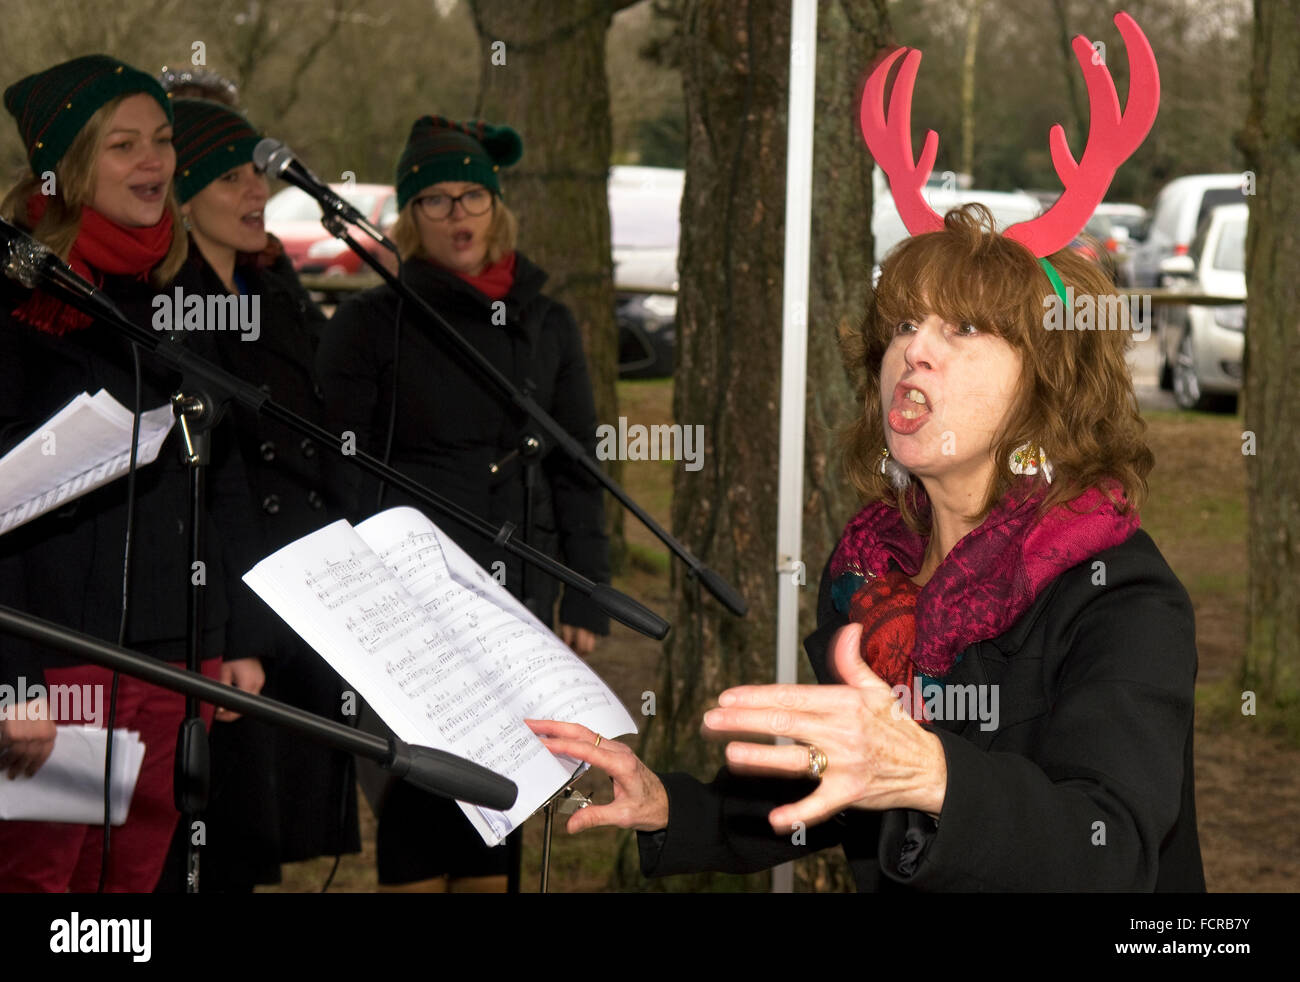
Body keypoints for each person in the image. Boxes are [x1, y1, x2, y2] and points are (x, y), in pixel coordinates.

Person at [530, 203, 1205, 892]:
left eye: (964, 328)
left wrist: (931, 773)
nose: (914, 350)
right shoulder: (869, 572)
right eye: (905, 325)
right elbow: (842, 783)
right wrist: (672, 807)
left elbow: (1110, 847)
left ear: (1046, 383)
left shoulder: (1119, 594)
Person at [317, 115, 611, 891]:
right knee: (423, 792)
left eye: (473, 196)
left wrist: (584, 588)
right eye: (437, 200)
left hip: (517, 585)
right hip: (413, 594)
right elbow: (337, 465)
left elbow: (579, 464)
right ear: (412, 217)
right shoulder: (373, 322)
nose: (459, 216)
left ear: (497, 205)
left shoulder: (547, 321)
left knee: (504, 791)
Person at [0, 55, 264, 892]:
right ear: (68, 168)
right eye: (123, 144)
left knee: (132, 887)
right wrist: (13, 679)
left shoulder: (177, 295)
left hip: (171, 661)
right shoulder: (17, 301)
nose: (154, 160)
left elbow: (210, 478)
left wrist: (223, 642)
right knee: (44, 883)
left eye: (161, 140)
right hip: (60, 658)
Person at [151, 97, 359, 891]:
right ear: (184, 192)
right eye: (229, 177)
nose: (253, 193)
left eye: (256, 176)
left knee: (273, 831)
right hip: (230, 605)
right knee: (216, 842)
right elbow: (206, 480)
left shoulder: (277, 291)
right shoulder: (171, 300)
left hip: (306, 591)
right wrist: (234, 634)